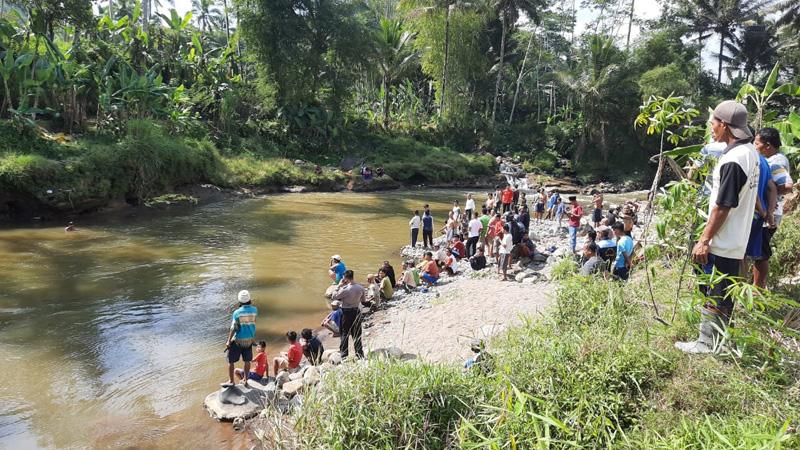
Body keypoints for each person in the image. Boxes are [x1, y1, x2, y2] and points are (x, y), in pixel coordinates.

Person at [676, 101, 760, 355]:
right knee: (724, 290)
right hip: (735, 239)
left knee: (715, 288)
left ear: (724, 125)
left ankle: (706, 343)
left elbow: (723, 205)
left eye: (713, 123)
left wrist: (704, 239)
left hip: (723, 240)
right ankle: (721, 341)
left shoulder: (734, 160)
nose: (711, 128)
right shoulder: (749, 153)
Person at [752, 127, 794, 287]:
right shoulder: (774, 158)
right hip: (768, 212)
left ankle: (758, 288)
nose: (755, 147)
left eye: (757, 144)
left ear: (768, 146)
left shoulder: (775, 161)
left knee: (761, 252)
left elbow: (787, 185)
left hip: (769, 214)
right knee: (758, 250)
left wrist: (771, 190)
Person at [744, 151, 776, 288]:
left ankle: (737, 291)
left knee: (740, 255)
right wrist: (769, 212)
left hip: (747, 214)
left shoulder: (746, 157)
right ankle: (745, 290)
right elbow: (771, 187)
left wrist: (764, 212)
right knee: (752, 255)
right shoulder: (762, 160)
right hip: (758, 216)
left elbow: (752, 189)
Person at [223, 290, 258, 387]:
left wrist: (228, 341)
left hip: (238, 340)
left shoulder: (237, 313)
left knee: (231, 360)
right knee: (247, 361)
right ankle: (245, 380)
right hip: (249, 340)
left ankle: (231, 381)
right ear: (249, 299)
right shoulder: (255, 310)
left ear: (240, 301)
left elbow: (234, 328)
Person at [331, 270, 366, 359]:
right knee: (357, 333)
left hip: (346, 313)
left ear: (345, 278)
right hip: (356, 311)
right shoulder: (361, 287)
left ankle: (344, 355)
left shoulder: (345, 289)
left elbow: (333, 296)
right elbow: (363, 300)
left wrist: (338, 285)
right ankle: (359, 354)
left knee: (344, 333)